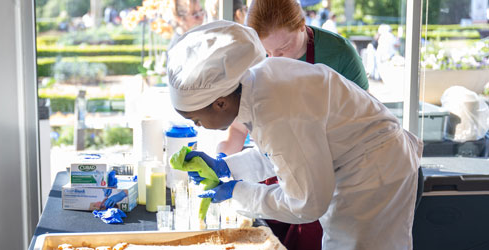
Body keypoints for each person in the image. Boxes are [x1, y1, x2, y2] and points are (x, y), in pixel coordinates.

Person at [166, 20, 422, 250]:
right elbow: (282, 153)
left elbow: (307, 204)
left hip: (374, 174)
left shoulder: (274, 106)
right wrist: (227, 167)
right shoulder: (257, 86)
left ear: (220, 103)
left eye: (196, 119)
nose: (198, 126)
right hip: (367, 161)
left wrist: (237, 192)